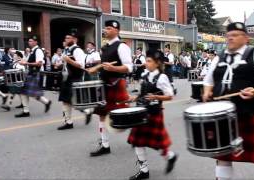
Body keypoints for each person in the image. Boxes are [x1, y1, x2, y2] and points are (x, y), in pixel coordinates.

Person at [203, 22, 254, 180]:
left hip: (253, 116)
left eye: (235, 35)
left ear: (246, 38)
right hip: (224, 119)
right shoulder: (219, 57)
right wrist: (207, 92)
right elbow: (208, 81)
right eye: (228, 35)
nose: (230, 38)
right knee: (223, 158)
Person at [127, 50, 178, 180]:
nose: (146, 63)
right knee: (137, 142)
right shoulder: (145, 74)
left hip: (154, 114)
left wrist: (156, 96)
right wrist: (135, 97)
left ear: (157, 63)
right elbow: (143, 93)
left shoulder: (162, 77)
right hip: (141, 112)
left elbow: (170, 96)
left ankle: (170, 157)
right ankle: (144, 170)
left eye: (149, 61)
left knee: (157, 144)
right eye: (146, 60)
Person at [86, 20, 133, 156]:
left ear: (116, 30)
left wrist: (113, 68)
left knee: (125, 116)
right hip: (104, 85)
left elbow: (129, 67)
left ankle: (135, 135)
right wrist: (96, 68)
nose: (105, 30)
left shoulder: (122, 46)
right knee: (102, 115)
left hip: (117, 84)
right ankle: (105, 145)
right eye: (105, 28)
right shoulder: (105, 47)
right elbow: (104, 64)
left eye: (108, 28)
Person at [57, 30, 92, 130]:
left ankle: (87, 112)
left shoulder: (77, 50)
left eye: (68, 38)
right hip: (66, 78)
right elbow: (66, 63)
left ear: (75, 39)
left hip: (75, 78)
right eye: (65, 38)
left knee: (74, 101)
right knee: (65, 100)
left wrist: (69, 60)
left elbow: (81, 65)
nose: (66, 40)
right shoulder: (66, 50)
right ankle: (68, 122)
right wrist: (60, 64)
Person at [15, 36, 52, 118]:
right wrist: (22, 61)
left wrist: (26, 64)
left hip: (35, 73)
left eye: (31, 41)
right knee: (27, 92)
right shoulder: (32, 51)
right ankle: (45, 103)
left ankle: (27, 111)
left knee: (28, 93)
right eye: (29, 41)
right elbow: (29, 62)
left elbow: (39, 63)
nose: (29, 42)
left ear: (36, 42)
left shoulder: (38, 51)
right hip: (31, 73)